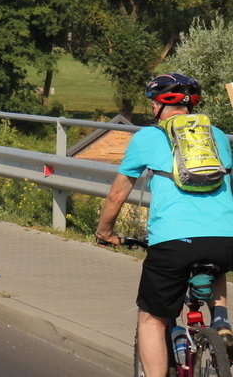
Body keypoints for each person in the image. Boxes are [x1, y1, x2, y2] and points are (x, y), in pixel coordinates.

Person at [96, 74, 233, 375]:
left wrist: (105, 232)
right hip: (225, 238)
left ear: (160, 105)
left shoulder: (148, 137)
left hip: (173, 243)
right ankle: (221, 321)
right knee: (216, 263)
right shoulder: (218, 136)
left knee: (151, 319)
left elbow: (118, 194)